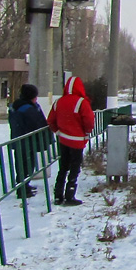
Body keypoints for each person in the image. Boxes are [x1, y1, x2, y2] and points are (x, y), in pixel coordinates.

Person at [48, 75, 95, 205]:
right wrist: (86, 133)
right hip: (77, 140)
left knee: (63, 167)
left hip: (63, 140)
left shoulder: (59, 102)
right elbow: (89, 121)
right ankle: (70, 194)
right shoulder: (82, 102)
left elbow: (50, 120)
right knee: (75, 167)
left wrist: (57, 131)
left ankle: (58, 195)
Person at [8, 84, 47, 198]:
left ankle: (25, 185)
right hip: (27, 141)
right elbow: (36, 123)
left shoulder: (17, 106)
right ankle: (22, 189)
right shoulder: (27, 109)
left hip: (20, 139)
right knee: (26, 165)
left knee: (22, 164)